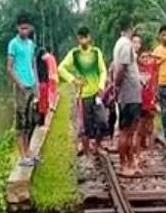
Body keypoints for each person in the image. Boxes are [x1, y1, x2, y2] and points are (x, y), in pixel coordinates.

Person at [59, 27, 109, 156]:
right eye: (80, 38)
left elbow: (103, 70)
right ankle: (87, 152)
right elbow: (61, 68)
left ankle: (97, 145)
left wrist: (101, 85)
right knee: (86, 126)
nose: (83, 40)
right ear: (78, 39)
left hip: (97, 94)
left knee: (102, 121)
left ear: (89, 37)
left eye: (85, 37)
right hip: (83, 95)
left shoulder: (96, 52)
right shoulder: (74, 54)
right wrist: (73, 80)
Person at [6, 15, 39, 165]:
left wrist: (36, 85)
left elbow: (33, 65)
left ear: (30, 28)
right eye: (22, 28)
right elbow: (9, 68)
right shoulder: (13, 44)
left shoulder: (31, 44)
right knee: (20, 122)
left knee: (30, 122)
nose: (24, 31)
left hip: (31, 85)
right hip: (21, 88)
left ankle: (28, 151)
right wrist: (19, 85)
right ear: (17, 28)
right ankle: (22, 157)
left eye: (27, 28)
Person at [112, 17, 142, 176]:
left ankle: (130, 162)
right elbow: (122, 69)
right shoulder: (125, 45)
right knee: (127, 131)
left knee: (130, 131)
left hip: (130, 94)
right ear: (130, 28)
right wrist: (116, 86)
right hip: (129, 94)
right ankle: (124, 164)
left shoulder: (120, 44)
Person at [135, 35, 159, 156]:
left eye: (147, 57)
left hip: (150, 102)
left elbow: (161, 58)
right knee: (139, 130)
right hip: (139, 102)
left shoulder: (152, 67)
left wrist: (152, 56)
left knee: (150, 129)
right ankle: (138, 153)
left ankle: (150, 153)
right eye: (142, 57)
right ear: (138, 58)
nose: (145, 59)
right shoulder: (135, 69)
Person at [35, 47, 59, 126]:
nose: (46, 56)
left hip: (44, 83)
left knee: (43, 102)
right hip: (45, 83)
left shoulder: (41, 62)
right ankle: (42, 118)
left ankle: (42, 120)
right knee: (44, 102)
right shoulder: (43, 62)